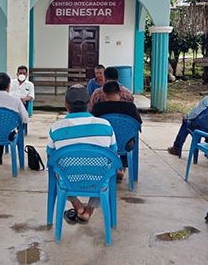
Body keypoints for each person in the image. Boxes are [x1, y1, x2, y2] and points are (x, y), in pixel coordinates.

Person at [48, 84, 116, 223]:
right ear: (89, 103)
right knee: (106, 172)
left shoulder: (56, 128)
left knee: (57, 171)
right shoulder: (105, 125)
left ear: (66, 105)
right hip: (98, 180)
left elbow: (51, 157)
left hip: (69, 180)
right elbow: (113, 154)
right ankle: (89, 210)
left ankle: (77, 205)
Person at [91, 81, 142, 181]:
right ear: (120, 92)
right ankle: (122, 167)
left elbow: (92, 126)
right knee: (126, 138)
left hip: (104, 145)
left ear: (104, 94)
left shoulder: (98, 108)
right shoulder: (130, 107)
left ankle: (106, 170)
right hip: (125, 145)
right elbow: (138, 126)